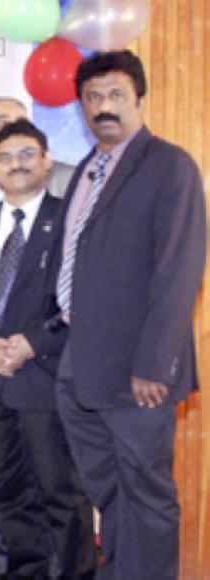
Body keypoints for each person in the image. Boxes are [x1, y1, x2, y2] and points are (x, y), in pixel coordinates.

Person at [53, 50, 206, 579]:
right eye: (93, 97)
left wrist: (154, 364)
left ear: (140, 98)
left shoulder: (170, 165)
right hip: (79, 364)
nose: (104, 107)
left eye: (116, 95)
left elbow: (179, 271)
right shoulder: (88, 171)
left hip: (137, 370)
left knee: (147, 493)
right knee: (110, 492)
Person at [0, 120, 95, 579]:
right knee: (4, 494)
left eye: (27, 154)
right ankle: (26, 572)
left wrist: (32, 342)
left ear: (47, 160)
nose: (17, 165)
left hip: (44, 377)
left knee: (60, 494)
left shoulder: (71, 218)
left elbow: (81, 296)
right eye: (5, 157)